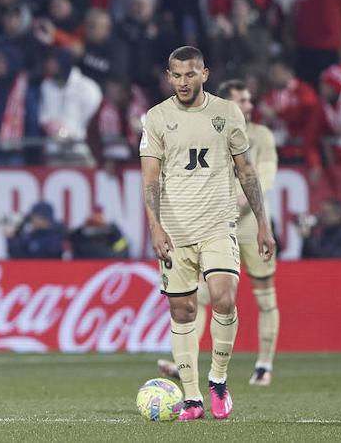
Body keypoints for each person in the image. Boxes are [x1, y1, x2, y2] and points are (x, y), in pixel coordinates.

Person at [140, 46, 274, 420]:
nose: (183, 82)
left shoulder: (227, 113)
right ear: (169, 77)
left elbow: (246, 171)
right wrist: (155, 226)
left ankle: (218, 379)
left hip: (218, 225)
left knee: (224, 298)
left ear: (204, 74)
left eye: (190, 74)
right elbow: (150, 179)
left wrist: (263, 224)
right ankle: (193, 398)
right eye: (176, 75)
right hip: (176, 230)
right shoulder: (156, 118)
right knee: (182, 311)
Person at [160, 79, 281, 387]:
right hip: (213, 226)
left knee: (264, 297)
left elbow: (262, 178)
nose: (248, 106)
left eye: (249, 100)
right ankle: (188, 362)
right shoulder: (212, 127)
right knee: (201, 297)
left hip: (248, 225)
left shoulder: (262, 137)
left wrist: (238, 204)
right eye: (242, 101)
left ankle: (264, 364)